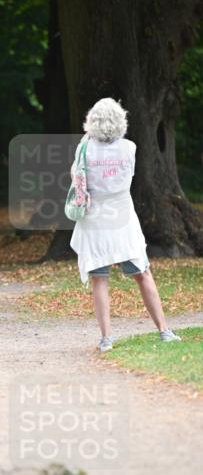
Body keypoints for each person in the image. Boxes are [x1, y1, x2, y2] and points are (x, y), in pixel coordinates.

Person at [69, 98, 181, 352]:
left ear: (92, 120)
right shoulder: (129, 147)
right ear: (121, 120)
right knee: (143, 273)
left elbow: (75, 177)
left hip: (94, 217)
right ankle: (164, 330)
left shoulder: (84, 147)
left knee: (99, 279)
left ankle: (106, 338)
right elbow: (128, 178)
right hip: (122, 217)